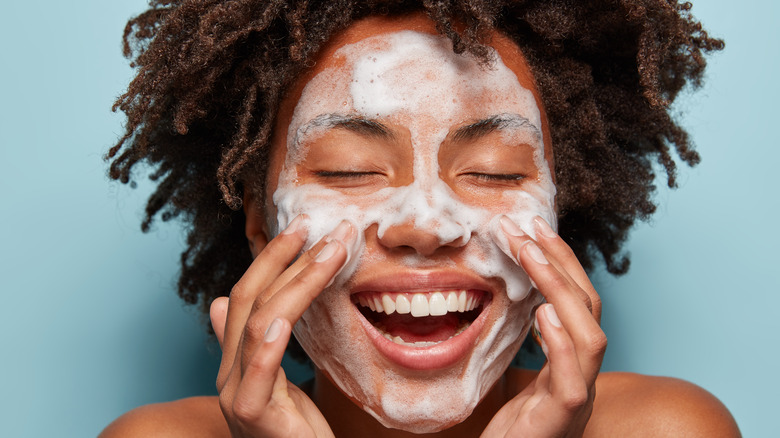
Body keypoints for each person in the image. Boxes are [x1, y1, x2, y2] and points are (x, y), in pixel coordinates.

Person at [100, 1, 740, 436]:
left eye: (494, 172)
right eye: (350, 170)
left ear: (557, 207)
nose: (427, 223)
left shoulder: (668, 428)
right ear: (260, 222)